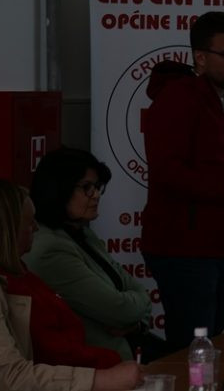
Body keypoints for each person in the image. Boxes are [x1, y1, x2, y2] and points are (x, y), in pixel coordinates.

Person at [141, 10, 224, 351]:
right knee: (193, 347)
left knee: (212, 341)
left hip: (223, 245)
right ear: (200, 57)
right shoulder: (176, 99)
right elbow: (168, 171)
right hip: (182, 248)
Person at [0, 177, 142, 391]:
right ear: (3, 230)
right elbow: (11, 375)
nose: (36, 228)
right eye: (29, 223)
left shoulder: (11, 273)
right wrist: (104, 379)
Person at [24, 148, 158, 362]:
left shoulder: (83, 233)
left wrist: (136, 323)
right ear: (59, 189)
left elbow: (134, 289)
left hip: (128, 350)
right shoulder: (50, 250)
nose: (96, 195)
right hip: (98, 363)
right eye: (87, 187)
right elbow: (120, 310)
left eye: (97, 187)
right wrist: (134, 310)